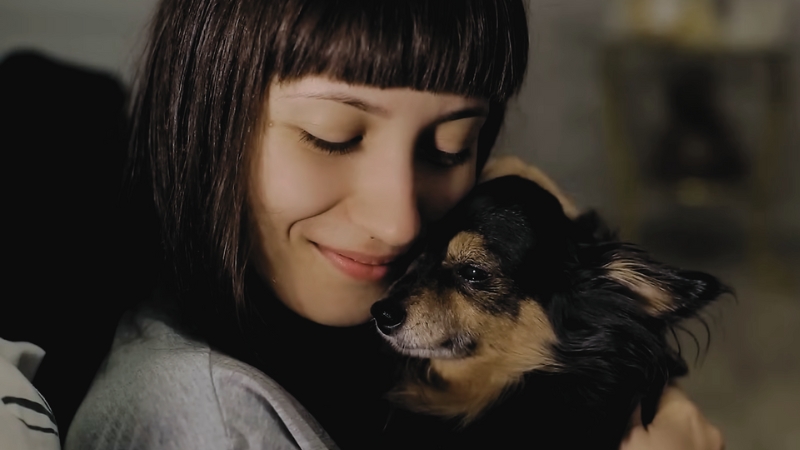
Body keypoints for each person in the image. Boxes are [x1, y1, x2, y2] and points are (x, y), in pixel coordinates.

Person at [65, 1, 724, 449]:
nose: (401, 222)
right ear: (207, 119)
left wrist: (661, 401)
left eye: (449, 148)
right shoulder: (209, 417)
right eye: (331, 136)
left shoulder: (333, 324)